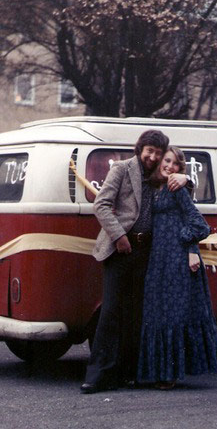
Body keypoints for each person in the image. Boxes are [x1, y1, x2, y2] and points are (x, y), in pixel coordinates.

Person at [81, 130, 189, 394]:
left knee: (136, 314)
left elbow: (182, 188)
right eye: (148, 151)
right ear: (139, 148)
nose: (152, 157)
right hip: (120, 250)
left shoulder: (157, 175)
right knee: (110, 312)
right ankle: (96, 376)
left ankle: (127, 373)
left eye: (157, 153)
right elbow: (102, 205)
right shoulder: (121, 169)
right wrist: (119, 236)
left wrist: (187, 178)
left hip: (147, 252)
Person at [137, 146, 217, 389]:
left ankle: (170, 375)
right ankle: (159, 372)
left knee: (173, 315)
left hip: (176, 260)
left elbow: (199, 225)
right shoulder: (152, 187)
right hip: (157, 261)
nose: (170, 167)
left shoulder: (176, 188)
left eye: (176, 164)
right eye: (167, 161)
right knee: (156, 314)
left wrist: (188, 247)